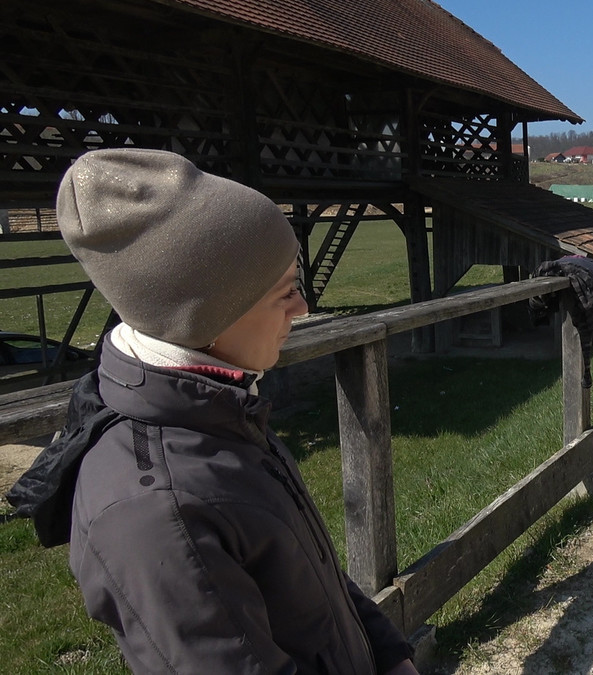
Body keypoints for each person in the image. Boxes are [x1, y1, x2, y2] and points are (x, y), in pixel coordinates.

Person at [6, 149, 419, 675]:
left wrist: (388, 654)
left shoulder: (218, 411)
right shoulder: (154, 511)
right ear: (212, 314)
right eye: (286, 290)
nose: (303, 307)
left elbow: (318, 581)